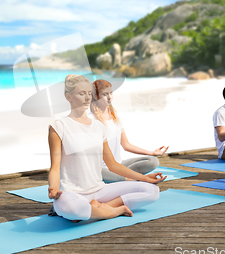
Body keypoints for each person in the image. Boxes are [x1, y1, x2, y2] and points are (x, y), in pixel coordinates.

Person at [48, 74, 166, 221]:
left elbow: (113, 165)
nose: (87, 98)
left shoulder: (99, 127)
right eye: (81, 93)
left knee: (152, 191)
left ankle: (99, 208)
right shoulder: (58, 127)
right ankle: (113, 211)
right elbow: (55, 167)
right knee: (73, 208)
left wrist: (144, 178)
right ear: (68, 97)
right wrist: (53, 188)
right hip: (73, 193)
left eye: (89, 94)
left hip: (100, 190)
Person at [90, 79, 169, 182]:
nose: (109, 97)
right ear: (96, 96)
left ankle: (125, 178)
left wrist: (152, 153)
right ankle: (129, 179)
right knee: (98, 172)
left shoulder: (116, 116)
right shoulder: (91, 120)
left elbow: (126, 145)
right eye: (105, 94)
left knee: (152, 161)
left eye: (110, 93)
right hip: (102, 169)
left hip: (118, 165)